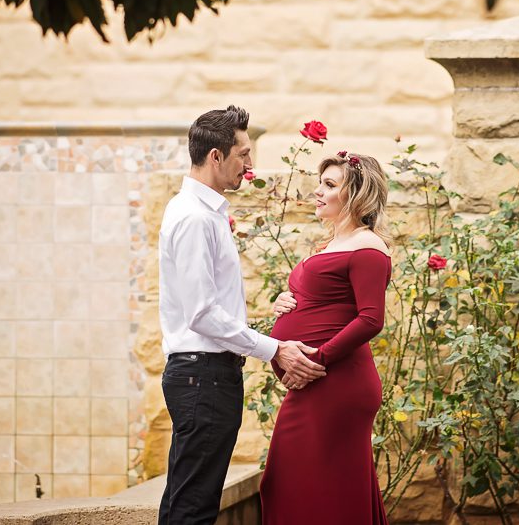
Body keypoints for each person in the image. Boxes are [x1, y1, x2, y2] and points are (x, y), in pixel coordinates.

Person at [158, 105, 326, 525]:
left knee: (187, 502)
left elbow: (213, 305)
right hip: (203, 377)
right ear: (216, 156)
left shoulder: (204, 213)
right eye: (244, 154)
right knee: (193, 508)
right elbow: (201, 314)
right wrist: (275, 349)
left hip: (206, 375)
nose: (250, 165)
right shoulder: (195, 217)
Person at [260, 150, 393, 525]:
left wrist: (315, 360)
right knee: (295, 484)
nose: (317, 191)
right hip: (317, 383)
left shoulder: (368, 247)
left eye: (329, 185)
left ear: (356, 194)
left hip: (335, 382)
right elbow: (322, 299)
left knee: (321, 491)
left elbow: (370, 319)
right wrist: (284, 301)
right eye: (321, 183)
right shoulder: (333, 244)